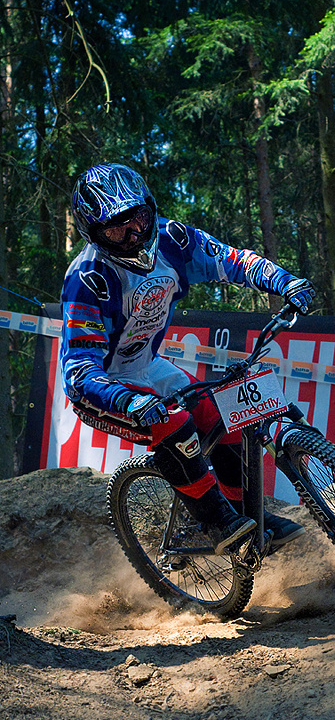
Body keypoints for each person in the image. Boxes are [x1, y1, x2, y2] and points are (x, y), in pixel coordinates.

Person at [60, 162, 315, 555]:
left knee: (224, 415)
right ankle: (214, 522)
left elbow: (231, 260)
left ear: (150, 210)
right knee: (172, 421)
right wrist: (128, 401)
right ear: (94, 235)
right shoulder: (87, 279)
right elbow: (78, 372)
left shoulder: (172, 239)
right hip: (102, 388)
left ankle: (246, 514)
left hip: (147, 366)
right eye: (116, 230)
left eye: (138, 220)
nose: (133, 236)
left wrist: (285, 281)